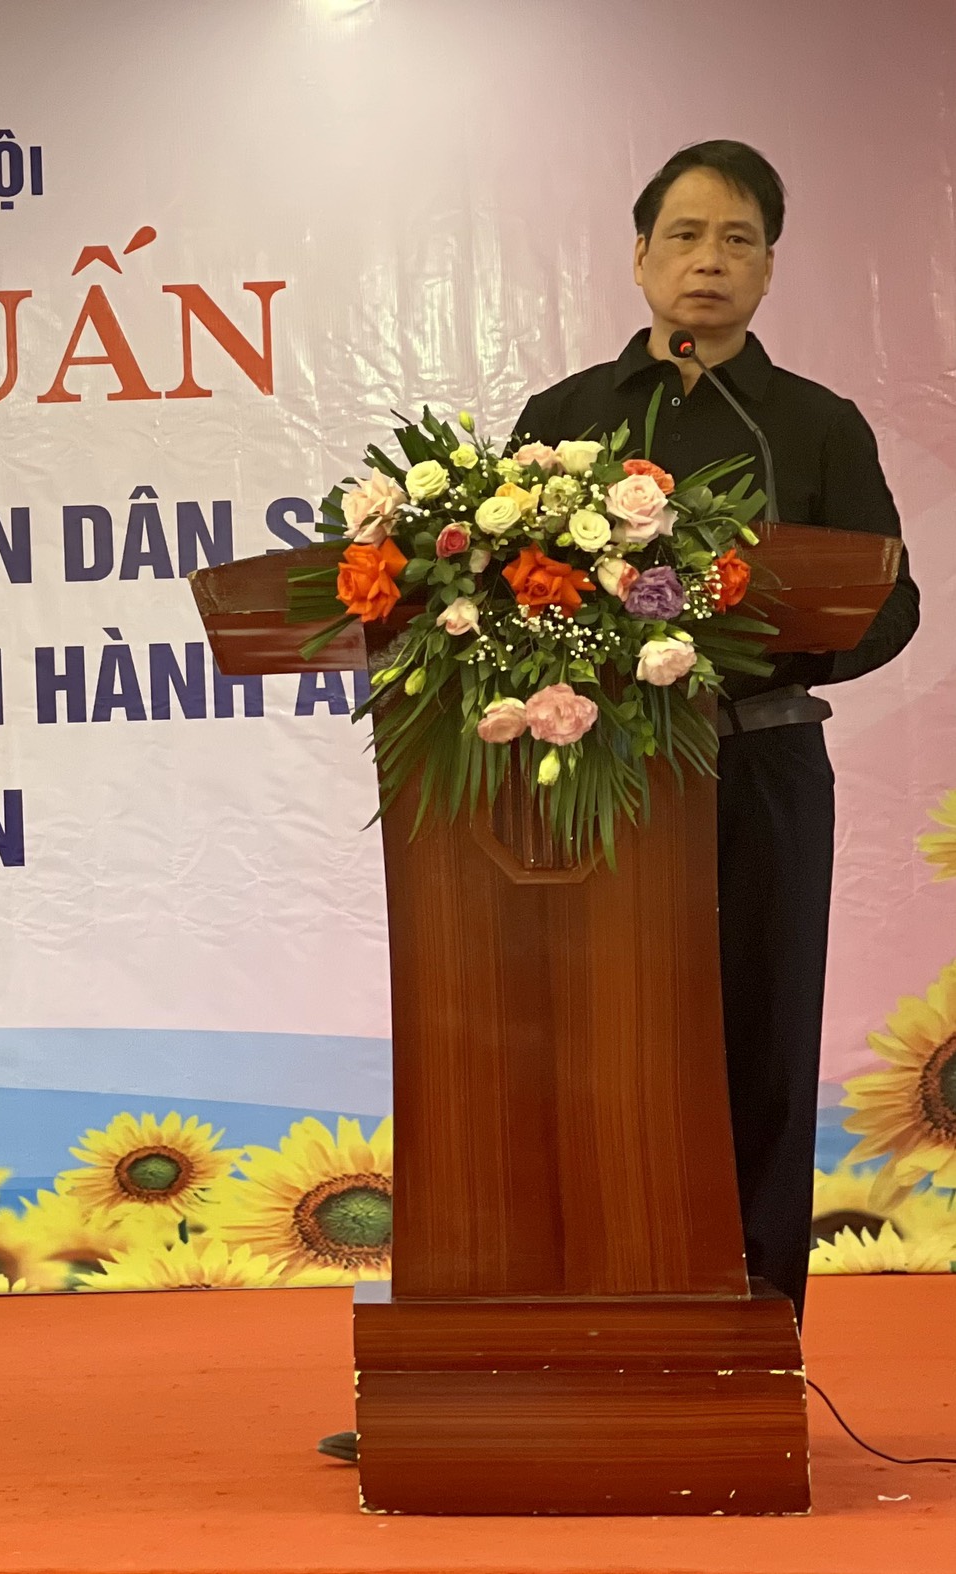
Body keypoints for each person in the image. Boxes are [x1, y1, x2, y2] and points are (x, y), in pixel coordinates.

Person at [317, 138, 921, 1468]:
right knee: (571, 1052)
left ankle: (753, 1355)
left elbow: (891, 605)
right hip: (590, 780)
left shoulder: (813, 424)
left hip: (757, 771)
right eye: (685, 235)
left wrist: (746, 647)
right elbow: (493, 581)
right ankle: (519, 1360)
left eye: (738, 239)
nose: (709, 261)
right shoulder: (570, 413)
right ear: (640, 256)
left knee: (756, 1052)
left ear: (769, 268)